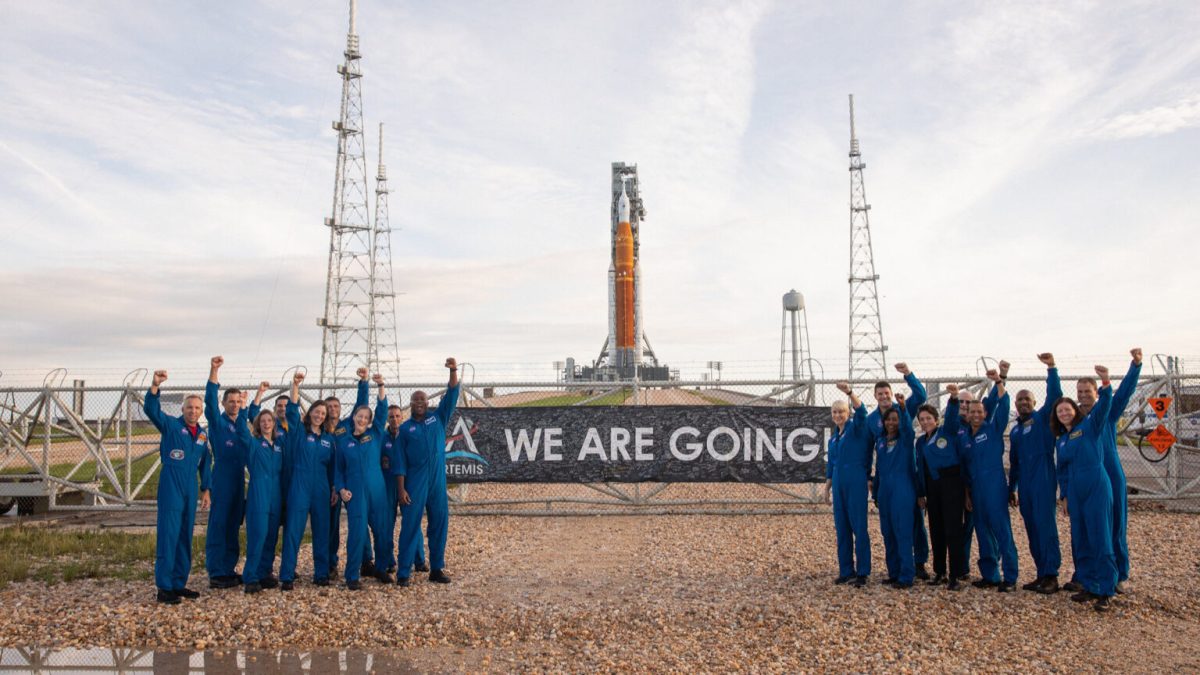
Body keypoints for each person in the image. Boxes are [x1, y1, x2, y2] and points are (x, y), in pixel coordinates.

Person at [1066, 348, 1142, 594]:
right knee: (1086, 528)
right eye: (1079, 392)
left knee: (1116, 526)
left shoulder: (1106, 413)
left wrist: (1136, 365)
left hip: (1110, 475)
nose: (1083, 395)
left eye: (1087, 391)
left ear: (1096, 392)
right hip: (1086, 480)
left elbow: (1125, 393)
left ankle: (1119, 574)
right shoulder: (1075, 420)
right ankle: (1086, 575)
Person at [143, 370, 211, 604]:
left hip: (190, 488)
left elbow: (206, 462)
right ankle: (164, 587)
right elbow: (151, 410)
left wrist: (206, 488)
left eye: (197, 408)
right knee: (169, 535)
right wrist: (154, 387)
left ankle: (178, 583)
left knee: (185, 536)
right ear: (182, 410)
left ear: (201, 412)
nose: (193, 411)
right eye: (189, 407)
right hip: (172, 485)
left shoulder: (202, 435)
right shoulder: (171, 426)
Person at [1053, 365, 1116, 612]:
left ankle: (1106, 589)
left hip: (1096, 485)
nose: (1064, 413)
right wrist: (1065, 495)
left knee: (1100, 536)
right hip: (1075, 492)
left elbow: (1104, 407)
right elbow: (1062, 470)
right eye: (1060, 411)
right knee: (1081, 539)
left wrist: (1105, 382)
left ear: (1074, 411)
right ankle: (1089, 585)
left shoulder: (1090, 426)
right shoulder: (1062, 440)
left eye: (1067, 409)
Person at [394, 358, 461, 587]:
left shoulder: (437, 418)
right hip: (415, 482)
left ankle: (436, 568)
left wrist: (453, 369)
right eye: (416, 400)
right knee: (410, 525)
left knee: (439, 523)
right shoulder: (404, 430)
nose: (420, 402)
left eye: (423, 399)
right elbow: (399, 461)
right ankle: (403, 572)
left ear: (427, 402)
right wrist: (401, 489)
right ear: (411, 404)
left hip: (437, 482)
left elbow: (452, 393)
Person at [866, 363, 931, 580]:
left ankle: (917, 564)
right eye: (880, 394)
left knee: (913, 524)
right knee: (890, 530)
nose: (884, 396)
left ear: (891, 394)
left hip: (906, 475)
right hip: (886, 483)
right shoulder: (872, 422)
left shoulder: (904, 415)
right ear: (875, 396)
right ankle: (895, 571)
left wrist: (908, 374)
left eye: (887, 393)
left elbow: (921, 395)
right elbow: (869, 449)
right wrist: (872, 482)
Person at [1007, 354, 1064, 593]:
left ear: (1033, 402)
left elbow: (1055, 397)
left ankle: (1051, 575)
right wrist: (1013, 488)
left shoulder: (1042, 420)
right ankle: (1041, 572)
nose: (1023, 403)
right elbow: (1015, 463)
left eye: (1027, 399)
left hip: (1043, 479)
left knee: (1045, 526)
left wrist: (1051, 369)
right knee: (1031, 527)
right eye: (1019, 400)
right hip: (1026, 486)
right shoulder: (1016, 431)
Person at [960, 370, 1019, 591]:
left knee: (1003, 532)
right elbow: (965, 469)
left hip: (994, 488)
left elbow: (1004, 403)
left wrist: (999, 381)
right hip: (976, 491)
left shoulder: (993, 429)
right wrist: (967, 494)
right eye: (971, 411)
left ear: (984, 413)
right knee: (983, 533)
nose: (975, 415)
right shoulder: (965, 438)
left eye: (979, 411)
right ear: (967, 414)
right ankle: (990, 575)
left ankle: (1010, 577)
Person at [279, 372, 336, 589]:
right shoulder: (297, 432)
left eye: (323, 413)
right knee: (294, 530)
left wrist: (333, 488)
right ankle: (286, 576)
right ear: (310, 413)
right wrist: (295, 385)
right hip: (300, 486)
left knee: (321, 531)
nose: (319, 415)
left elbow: (332, 467)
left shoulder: (328, 440)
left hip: (321, 488)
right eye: (316, 412)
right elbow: (292, 409)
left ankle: (321, 574)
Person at [333, 374, 390, 590]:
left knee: (382, 531)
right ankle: (352, 575)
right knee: (356, 534)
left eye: (366, 417)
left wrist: (381, 385)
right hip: (355, 494)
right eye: (360, 415)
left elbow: (382, 410)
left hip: (377, 492)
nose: (362, 419)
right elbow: (339, 470)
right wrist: (341, 489)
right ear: (354, 416)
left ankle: (382, 569)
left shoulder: (375, 434)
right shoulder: (344, 441)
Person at [915, 385, 970, 590]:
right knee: (936, 529)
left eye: (929, 418)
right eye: (922, 419)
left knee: (952, 529)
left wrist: (954, 398)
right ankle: (940, 572)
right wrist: (921, 492)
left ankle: (956, 574)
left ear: (936, 420)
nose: (926, 422)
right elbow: (920, 468)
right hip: (931, 487)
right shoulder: (920, 443)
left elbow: (954, 418)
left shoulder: (947, 432)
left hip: (951, 484)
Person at [202, 356, 248, 589]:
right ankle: (216, 571)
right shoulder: (218, 423)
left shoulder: (241, 425)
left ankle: (229, 568)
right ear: (224, 403)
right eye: (230, 401)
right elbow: (209, 401)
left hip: (238, 479)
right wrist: (214, 371)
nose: (234, 405)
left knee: (233, 524)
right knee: (219, 524)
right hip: (222, 478)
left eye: (238, 402)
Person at [823, 382, 873, 588]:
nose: (838, 415)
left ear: (847, 413)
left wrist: (850, 393)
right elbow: (831, 465)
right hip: (839, 484)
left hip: (856, 481)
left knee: (859, 527)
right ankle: (846, 570)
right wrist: (827, 488)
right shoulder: (833, 438)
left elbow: (862, 411)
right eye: (835, 412)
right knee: (842, 528)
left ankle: (863, 572)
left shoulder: (856, 428)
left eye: (841, 411)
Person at [325, 369, 371, 580]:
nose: (333, 409)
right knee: (331, 524)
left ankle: (365, 560)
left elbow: (362, 404)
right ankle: (330, 563)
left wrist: (363, 382)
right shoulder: (319, 429)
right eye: (329, 407)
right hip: (327, 480)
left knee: (360, 519)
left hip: (348, 479)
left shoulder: (347, 426)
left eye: (336, 406)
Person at [872, 394, 921, 589]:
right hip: (885, 491)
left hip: (903, 489)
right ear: (883, 422)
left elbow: (908, 428)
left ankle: (906, 575)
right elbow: (879, 471)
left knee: (903, 532)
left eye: (895, 420)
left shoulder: (906, 440)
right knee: (888, 532)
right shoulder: (881, 442)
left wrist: (902, 408)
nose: (891, 423)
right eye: (888, 420)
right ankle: (893, 572)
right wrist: (876, 493)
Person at [237, 405, 284, 593]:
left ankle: (265, 572)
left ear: (274, 424)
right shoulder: (254, 443)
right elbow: (241, 427)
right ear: (258, 424)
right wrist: (243, 407)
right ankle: (251, 577)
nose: (266, 423)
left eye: (269, 420)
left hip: (276, 493)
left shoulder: (279, 446)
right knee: (258, 535)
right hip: (259, 492)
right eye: (263, 421)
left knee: (271, 536)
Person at [383, 405, 428, 574]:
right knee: (387, 524)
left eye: (397, 416)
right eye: (391, 417)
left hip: (407, 485)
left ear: (402, 418)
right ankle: (389, 561)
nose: (394, 419)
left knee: (412, 522)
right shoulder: (382, 438)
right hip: (388, 485)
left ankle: (419, 560)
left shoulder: (409, 434)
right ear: (387, 420)